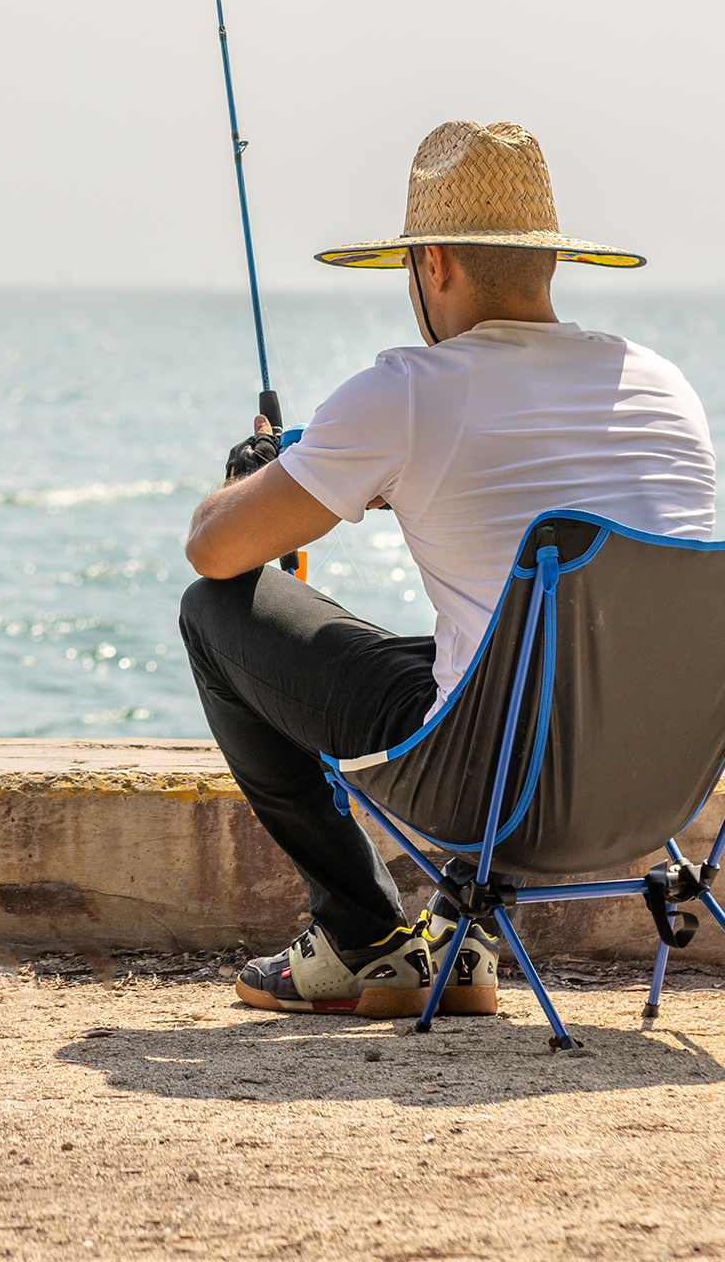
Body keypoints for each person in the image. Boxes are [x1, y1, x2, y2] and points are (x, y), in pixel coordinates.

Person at [180, 120, 715, 1017]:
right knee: (515, 641)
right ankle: (459, 940)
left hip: (491, 785)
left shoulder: (406, 391)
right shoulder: (664, 387)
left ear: (433, 264)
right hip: (660, 793)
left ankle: (363, 939)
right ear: (548, 263)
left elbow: (215, 549)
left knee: (213, 610)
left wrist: (257, 478)